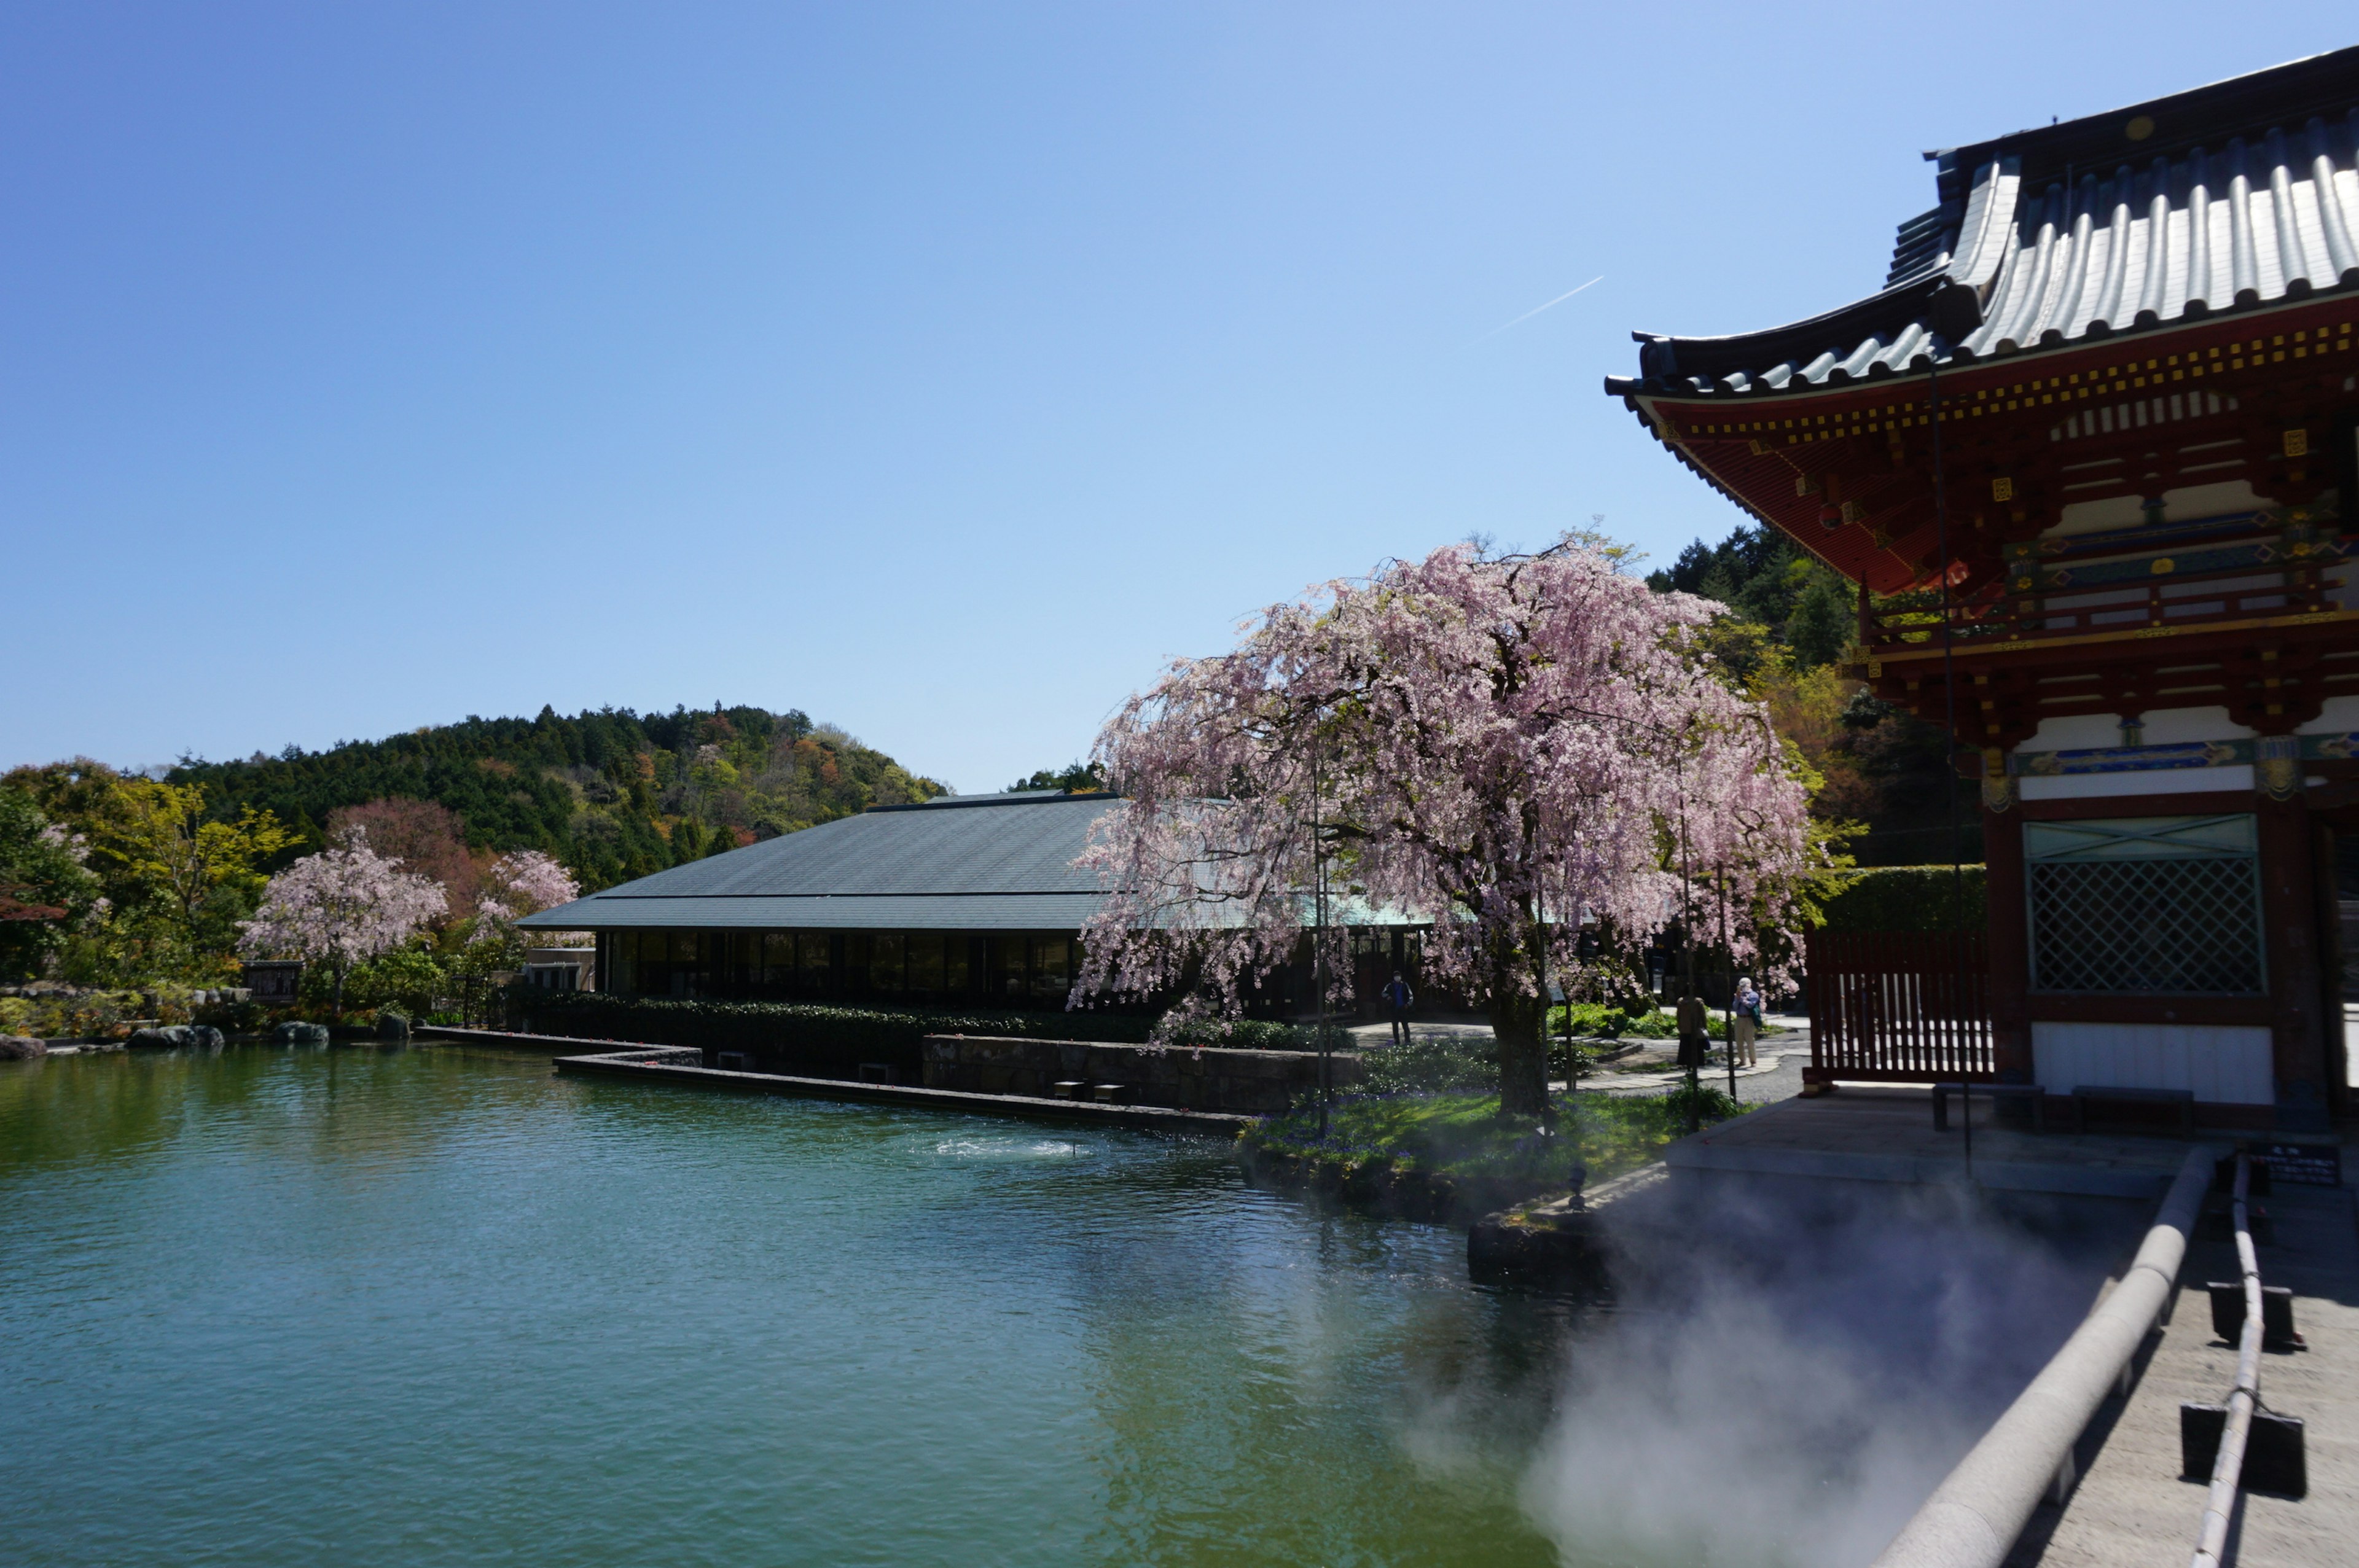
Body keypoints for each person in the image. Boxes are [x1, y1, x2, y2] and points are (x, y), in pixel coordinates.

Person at [1675, 991, 1710, 1072]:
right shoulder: (1698, 1002)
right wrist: (1705, 1027)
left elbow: (1678, 1015)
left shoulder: (1681, 1002)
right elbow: (1703, 1015)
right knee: (1696, 1049)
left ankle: (1688, 1066)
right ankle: (1695, 1066)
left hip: (1685, 1029)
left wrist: (1680, 1026)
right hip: (1695, 1029)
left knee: (1686, 1049)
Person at [1732, 975, 1762, 1068]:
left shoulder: (1753, 995)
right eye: (1742, 985)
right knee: (1739, 1040)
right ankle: (1742, 1060)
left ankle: (1753, 1061)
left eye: (1745, 984)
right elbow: (1735, 1007)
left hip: (1749, 1019)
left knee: (1750, 1040)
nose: (1744, 987)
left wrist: (1742, 998)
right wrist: (1737, 998)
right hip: (1739, 1018)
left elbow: (1750, 1005)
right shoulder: (1738, 994)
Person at [1382, 972, 1414, 1046]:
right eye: (1396, 976)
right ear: (1394, 977)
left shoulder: (1405, 985)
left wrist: (1408, 1004)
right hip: (1394, 1008)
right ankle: (1397, 1041)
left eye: (1398, 976)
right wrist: (1388, 997)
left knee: (1405, 1026)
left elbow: (1411, 995)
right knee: (1395, 1026)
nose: (1397, 978)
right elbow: (1383, 993)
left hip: (1403, 1008)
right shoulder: (1390, 985)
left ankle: (1408, 1041)